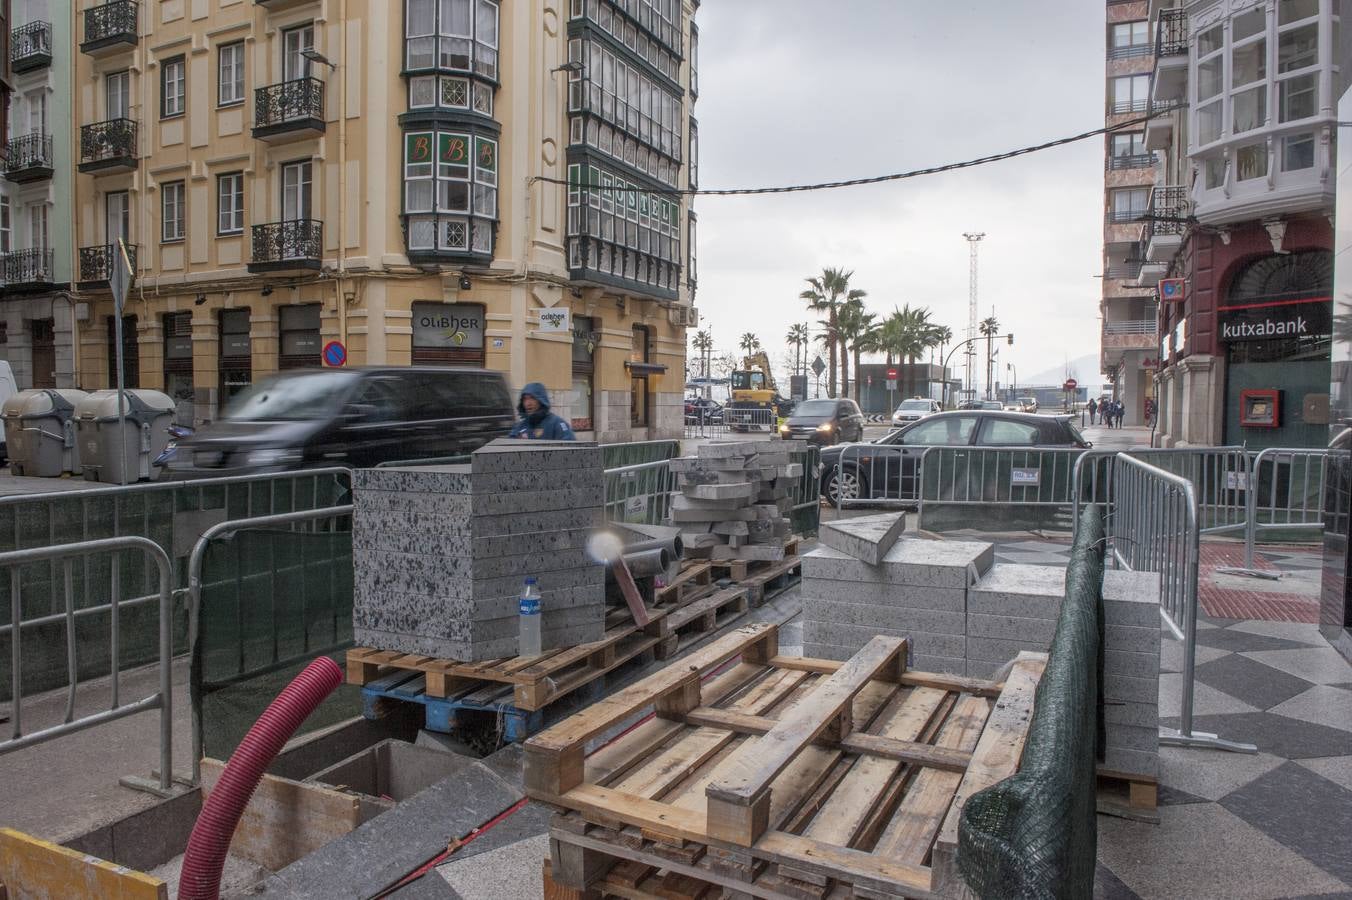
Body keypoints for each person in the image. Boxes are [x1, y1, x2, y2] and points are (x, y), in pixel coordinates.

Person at [508, 382, 576, 440]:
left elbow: (569, 450)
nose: (528, 403)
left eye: (532, 398)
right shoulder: (520, 427)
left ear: (541, 400)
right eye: (525, 399)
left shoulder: (557, 424)